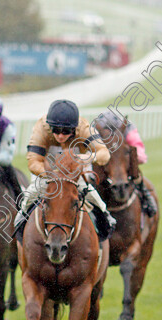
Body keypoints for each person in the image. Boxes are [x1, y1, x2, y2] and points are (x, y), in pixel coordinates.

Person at [18, 99, 115, 240]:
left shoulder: (84, 128)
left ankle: (106, 221)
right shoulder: (41, 127)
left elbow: (104, 154)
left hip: (74, 174)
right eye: (56, 130)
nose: (61, 136)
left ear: (75, 128)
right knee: (29, 197)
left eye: (66, 131)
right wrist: (52, 175)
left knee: (94, 198)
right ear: (50, 126)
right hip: (47, 174)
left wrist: (86, 157)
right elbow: (33, 162)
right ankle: (20, 224)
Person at [93, 110, 158, 217]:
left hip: (126, 168)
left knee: (137, 175)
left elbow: (141, 158)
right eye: (108, 132)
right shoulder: (94, 135)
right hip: (104, 169)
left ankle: (147, 198)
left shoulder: (129, 130)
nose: (111, 135)